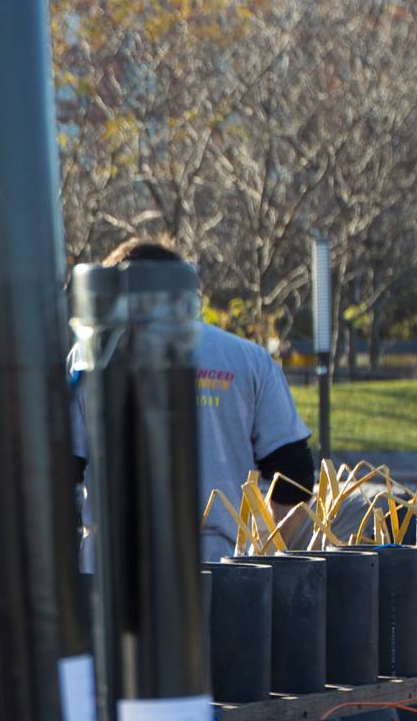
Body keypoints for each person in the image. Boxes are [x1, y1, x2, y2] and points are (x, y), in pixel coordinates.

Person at [75, 239, 314, 561]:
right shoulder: (247, 359)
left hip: (110, 565)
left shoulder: (87, 358)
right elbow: (294, 476)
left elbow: (60, 473)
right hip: (221, 568)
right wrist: (264, 555)